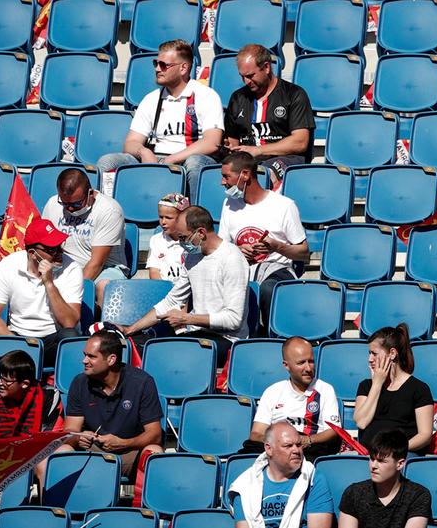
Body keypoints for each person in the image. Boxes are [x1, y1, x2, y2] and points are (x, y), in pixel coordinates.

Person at [96, 39, 223, 203]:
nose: (157, 68)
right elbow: (131, 143)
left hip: (188, 158)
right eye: (156, 63)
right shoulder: (151, 99)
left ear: (183, 68)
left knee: (194, 163)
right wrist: (144, 152)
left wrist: (172, 159)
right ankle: (106, 213)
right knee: (107, 162)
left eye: (164, 65)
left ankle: (194, 215)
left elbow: (212, 143)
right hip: (156, 156)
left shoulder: (206, 96)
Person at [122, 206, 249, 367]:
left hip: (226, 340)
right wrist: (130, 329)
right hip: (196, 333)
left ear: (201, 233)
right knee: (139, 343)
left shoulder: (231, 259)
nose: (180, 243)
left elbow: (233, 319)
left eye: (183, 238)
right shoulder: (191, 257)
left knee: (165, 354)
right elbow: (171, 301)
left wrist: (187, 318)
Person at [0, 218, 83, 370]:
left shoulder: (72, 268)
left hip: (51, 341)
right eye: (52, 249)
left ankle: (68, 391)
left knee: (70, 337)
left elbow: (69, 322)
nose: (59, 253)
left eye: (60, 246)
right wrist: (17, 348)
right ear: (33, 253)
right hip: (17, 338)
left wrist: (49, 283)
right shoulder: (9, 264)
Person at [219, 151, 308, 332]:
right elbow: (222, 246)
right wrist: (238, 249)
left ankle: (268, 338)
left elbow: (304, 252)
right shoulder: (229, 204)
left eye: (226, 176)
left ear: (245, 174)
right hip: (241, 269)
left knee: (267, 289)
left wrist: (277, 246)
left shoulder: (284, 205)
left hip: (277, 269)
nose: (222, 182)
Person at [64, 331, 164, 478]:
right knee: (62, 451)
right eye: (85, 355)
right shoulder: (79, 383)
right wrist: (79, 437)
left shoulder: (141, 382)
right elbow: (70, 430)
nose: (84, 361)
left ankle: (143, 501)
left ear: (111, 359)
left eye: (91, 356)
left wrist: (124, 443)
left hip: (131, 452)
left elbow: (155, 435)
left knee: (154, 451)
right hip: (94, 451)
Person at [0, 350, 71, 489]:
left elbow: (52, 439)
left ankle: (46, 508)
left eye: (6, 380)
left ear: (25, 383)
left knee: (65, 450)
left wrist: (21, 457)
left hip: (35, 456)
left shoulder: (49, 396)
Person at [224, 44, 314, 188]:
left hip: (285, 159)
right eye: (242, 77)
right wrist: (229, 147)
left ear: (266, 67)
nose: (246, 81)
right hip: (247, 161)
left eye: (250, 75)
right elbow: (233, 141)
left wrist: (258, 150)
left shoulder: (294, 94)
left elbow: (300, 142)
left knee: (263, 174)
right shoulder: (237, 98)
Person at [40, 167, 129, 303]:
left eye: (76, 204)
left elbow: (96, 263)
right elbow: (44, 244)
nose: (69, 208)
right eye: (65, 203)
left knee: (104, 287)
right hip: (62, 265)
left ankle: (102, 324)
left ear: (90, 193)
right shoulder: (53, 204)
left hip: (104, 268)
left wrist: (70, 289)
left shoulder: (109, 210)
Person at [245, 336, 342, 461]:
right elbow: (256, 434)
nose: (308, 368)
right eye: (301, 363)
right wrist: (282, 442)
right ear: (286, 365)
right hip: (278, 444)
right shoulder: (273, 391)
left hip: (310, 445)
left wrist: (307, 439)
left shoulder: (325, 390)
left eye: (311, 361)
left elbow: (333, 431)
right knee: (249, 449)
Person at [229, 421, 334, 528]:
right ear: (269, 449)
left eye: (298, 445)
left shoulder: (313, 479)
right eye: (288, 446)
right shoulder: (245, 485)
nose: (296, 450)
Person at [353, 325, 434, 454]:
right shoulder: (366, 386)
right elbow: (361, 422)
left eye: (374, 353)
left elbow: (425, 435)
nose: (370, 359)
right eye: (369, 353)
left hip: (400, 457)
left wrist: (394, 451)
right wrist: (377, 384)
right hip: (368, 456)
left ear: (392, 353)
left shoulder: (419, 389)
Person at [337, 430, 431, 528]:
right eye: (372, 459)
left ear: (400, 464)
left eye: (381, 461)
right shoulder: (354, 493)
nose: (373, 466)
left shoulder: (418, 495)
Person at [147, 192, 190, 283]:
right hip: (164, 290)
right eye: (161, 217)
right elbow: (154, 271)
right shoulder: (156, 240)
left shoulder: (192, 242)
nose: (163, 222)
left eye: (168, 218)